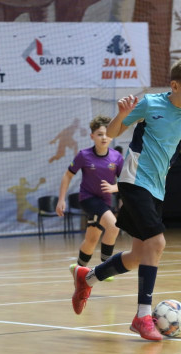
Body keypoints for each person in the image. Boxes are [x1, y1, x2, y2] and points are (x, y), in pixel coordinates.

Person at [70, 58, 181, 341]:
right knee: (157, 243)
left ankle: (87, 277)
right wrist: (122, 114)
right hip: (134, 180)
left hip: (157, 188)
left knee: (137, 256)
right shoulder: (150, 104)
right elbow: (112, 133)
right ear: (175, 86)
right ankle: (142, 316)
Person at [56, 115, 124, 280]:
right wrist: (61, 199)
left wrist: (114, 188)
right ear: (92, 136)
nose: (104, 137)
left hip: (105, 201)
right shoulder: (84, 155)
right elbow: (67, 175)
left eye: (107, 134)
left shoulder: (116, 157)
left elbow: (125, 182)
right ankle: (106, 268)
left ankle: (78, 268)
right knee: (114, 226)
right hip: (88, 199)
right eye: (100, 134)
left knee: (92, 239)